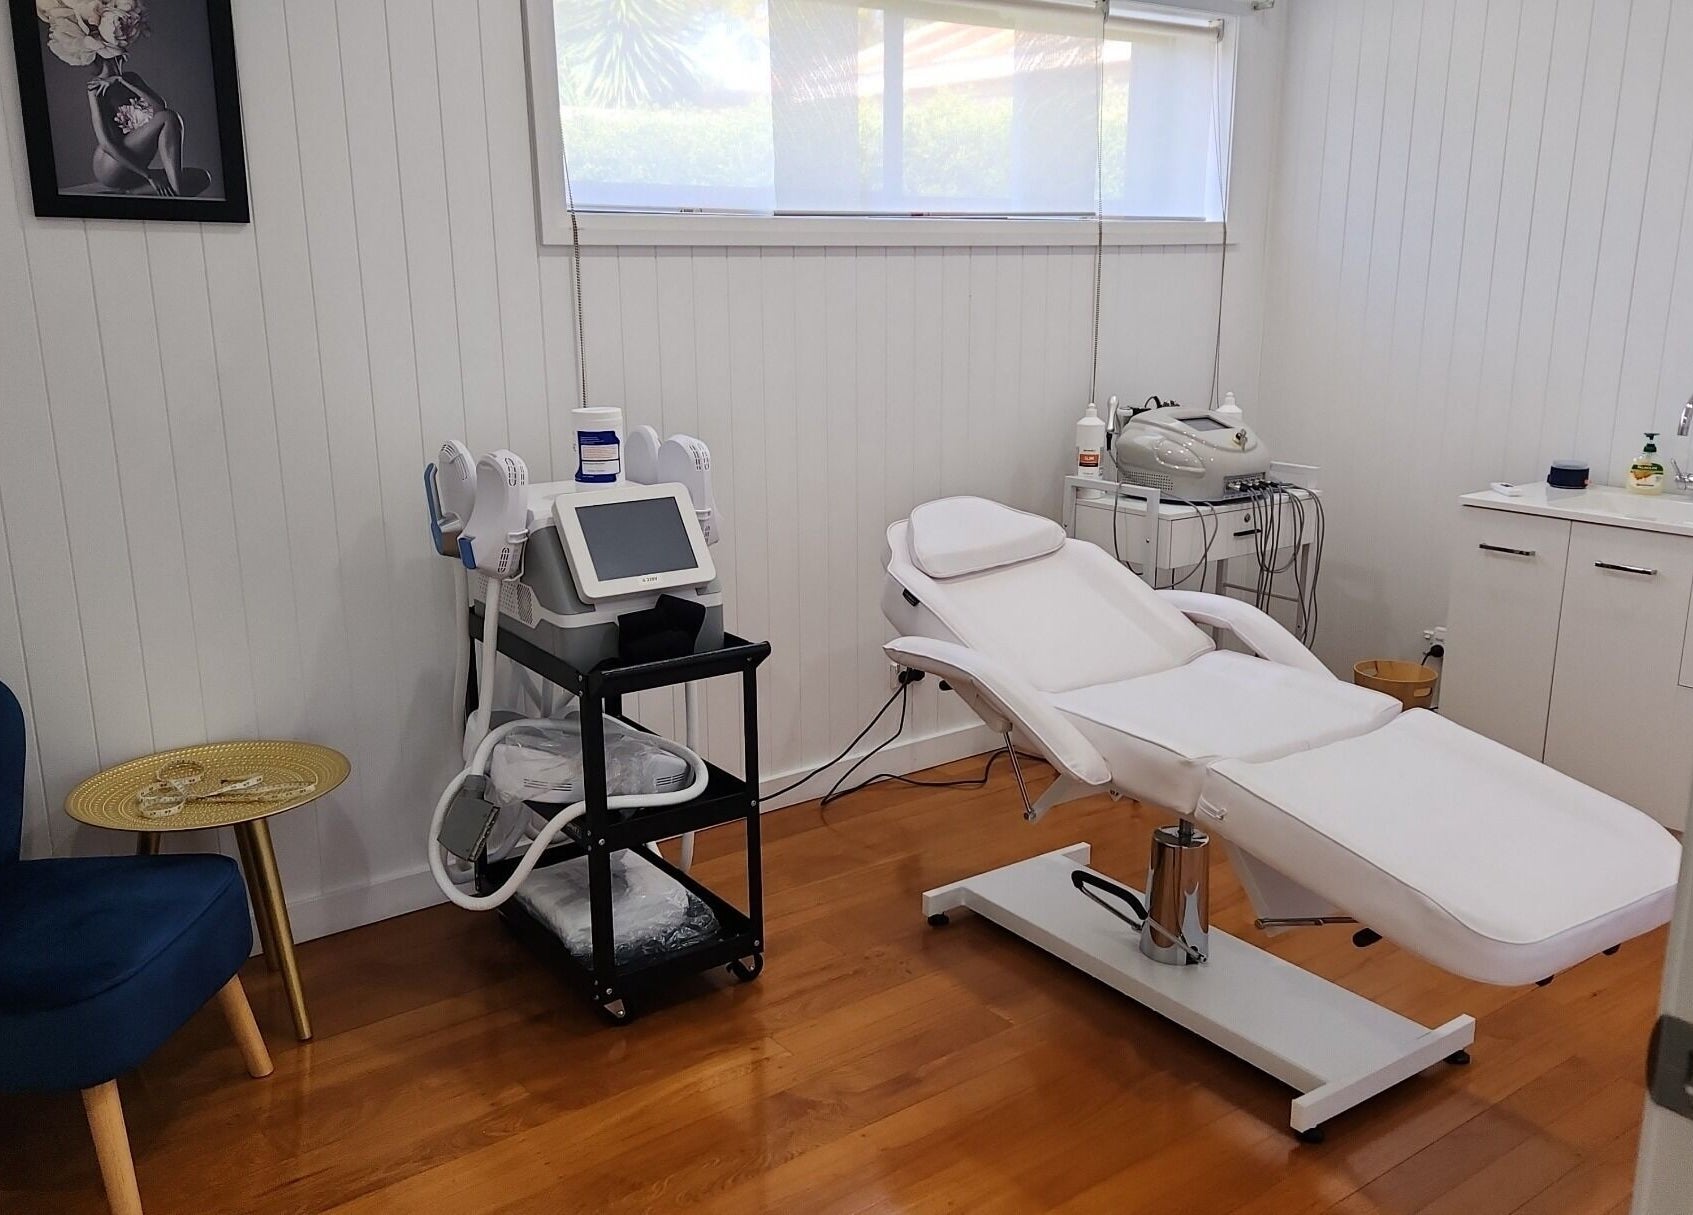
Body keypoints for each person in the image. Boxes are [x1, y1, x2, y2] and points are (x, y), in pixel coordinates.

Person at [84, 55, 208, 197]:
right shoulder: (95, 88)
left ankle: (130, 192)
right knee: (168, 117)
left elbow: (159, 107)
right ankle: (177, 191)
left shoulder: (131, 78)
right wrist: (149, 175)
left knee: (202, 177)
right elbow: (106, 144)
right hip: (110, 165)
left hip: (135, 165)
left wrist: (122, 81)